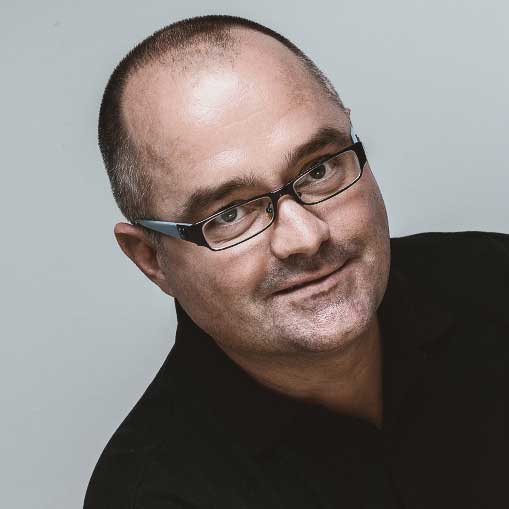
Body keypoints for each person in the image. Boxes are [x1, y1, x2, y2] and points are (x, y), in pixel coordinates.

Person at [84, 14, 508, 509]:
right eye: (229, 214)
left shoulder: (496, 277)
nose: (305, 237)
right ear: (151, 259)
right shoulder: (154, 496)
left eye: (319, 169)